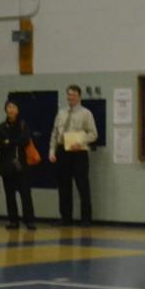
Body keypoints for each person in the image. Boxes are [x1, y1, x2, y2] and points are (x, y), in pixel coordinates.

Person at [48, 84, 98, 226]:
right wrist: (52, 151)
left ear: (79, 97)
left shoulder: (86, 113)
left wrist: (80, 141)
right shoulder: (61, 113)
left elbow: (93, 134)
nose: (71, 97)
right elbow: (54, 133)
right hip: (62, 151)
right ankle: (65, 217)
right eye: (69, 94)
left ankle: (86, 219)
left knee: (82, 186)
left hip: (79, 152)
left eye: (74, 95)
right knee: (63, 187)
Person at [0, 99, 36, 230]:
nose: (11, 109)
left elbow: (25, 140)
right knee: (10, 195)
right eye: (8, 107)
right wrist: (12, 142)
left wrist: (10, 141)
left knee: (25, 194)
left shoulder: (23, 125)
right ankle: (13, 221)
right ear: (5, 110)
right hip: (6, 165)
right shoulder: (0, 127)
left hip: (22, 165)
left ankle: (29, 220)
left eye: (13, 107)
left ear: (17, 110)